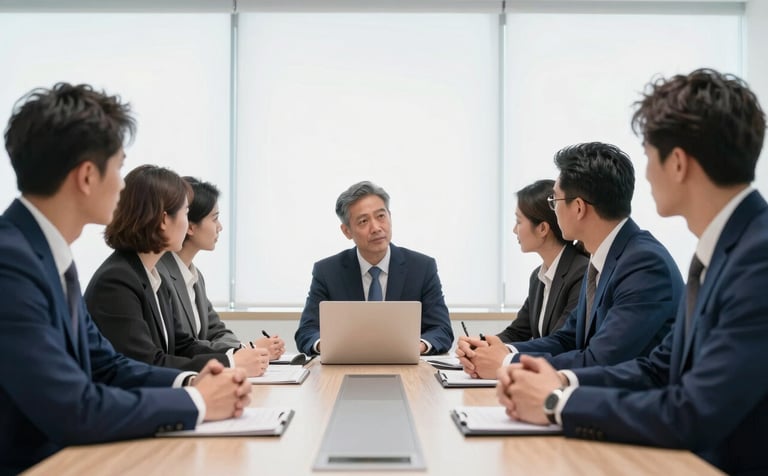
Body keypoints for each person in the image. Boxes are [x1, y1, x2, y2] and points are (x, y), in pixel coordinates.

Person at [497, 69, 768, 475]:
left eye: (647, 155)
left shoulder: (757, 257)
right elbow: (658, 369)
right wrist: (561, 385)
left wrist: (557, 404)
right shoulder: (726, 248)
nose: (645, 174)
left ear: (677, 163)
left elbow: (693, 411)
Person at [0, 82, 250, 473]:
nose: (122, 183)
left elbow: (109, 365)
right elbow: (73, 407)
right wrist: (199, 403)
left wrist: (193, 382)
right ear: (86, 176)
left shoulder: (47, 255)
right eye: (118, 166)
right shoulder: (10, 263)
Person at [458, 142, 683, 378]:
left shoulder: (643, 264)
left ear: (578, 208)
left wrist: (506, 362)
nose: (553, 210)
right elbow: (566, 339)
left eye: (554, 201)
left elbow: (602, 359)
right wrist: (503, 350)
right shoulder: (602, 257)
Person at [85, 165, 270, 376]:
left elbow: (183, 345)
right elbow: (147, 363)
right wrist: (230, 363)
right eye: (186, 213)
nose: (187, 224)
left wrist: (235, 357)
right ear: (164, 220)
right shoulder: (117, 280)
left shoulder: (152, 275)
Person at [294, 180, 454, 355]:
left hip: (407, 369)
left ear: (390, 217)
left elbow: (441, 329)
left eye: (381, 216)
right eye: (363, 221)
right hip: (346, 367)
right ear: (347, 231)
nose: (376, 228)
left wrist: (418, 346)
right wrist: (328, 346)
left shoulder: (422, 268)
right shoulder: (327, 272)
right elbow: (306, 332)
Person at [156, 177, 285, 358]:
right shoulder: (160, 275)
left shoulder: (194, 276)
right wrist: (247, 350)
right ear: (191, 227)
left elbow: (217, 331)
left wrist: (244, 349)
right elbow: (182, 346)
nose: (220, 227)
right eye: (214, 218)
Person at [496, 179, 589, 343]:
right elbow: (516, 333)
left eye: (518, 221)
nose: (514, 230)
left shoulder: (581, 272)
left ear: (543, 229)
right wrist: (482, 345)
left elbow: (560, 342)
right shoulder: (538, 277)